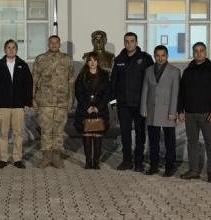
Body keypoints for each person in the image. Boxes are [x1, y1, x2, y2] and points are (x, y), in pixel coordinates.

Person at [110, 32, 153, 171]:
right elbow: (113, 81)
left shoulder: (145, 58)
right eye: (127, 41)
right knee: (125, 133)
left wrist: (149, 102)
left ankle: (139, 162)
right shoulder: (119, 59)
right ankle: (126, 161)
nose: (129, 44)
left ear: (136, 42)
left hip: (140, 103)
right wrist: (113, 101)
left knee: (140, 133)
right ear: (124, 43)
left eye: (132, 41)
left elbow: (151, 81)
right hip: (123, 104)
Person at [178, 42, 211, 182]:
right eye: (196, 51)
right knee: (192, 142)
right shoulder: (188, 71)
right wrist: (180, 110)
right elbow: (182, 92)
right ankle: (193, 170)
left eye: (201, 50)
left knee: (210, 143)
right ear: (193, 53)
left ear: (206, 52)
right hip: (190, 113)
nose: (198, 53)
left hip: (206, 114)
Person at [32, 35, 74, 168]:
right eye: (51, 42)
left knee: (59, 130)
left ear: (59, 44)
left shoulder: (67, 59)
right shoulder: (40, 59)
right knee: (45, 130)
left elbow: (71, 81)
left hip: (62, 101)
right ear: (48, 44)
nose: (54, 45)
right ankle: (46, 157)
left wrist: (71, 100)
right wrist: (32, 98)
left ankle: (56, 157)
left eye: (56, 42)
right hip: (45, 101)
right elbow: (34, 79)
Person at [0, 39, 33, 169]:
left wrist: (27, 102)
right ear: (5, 49)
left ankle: (17, 159)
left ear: (16, 50)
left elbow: (28, 85)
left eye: (13, 47)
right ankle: (3, 159)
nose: (11, 50)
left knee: (18, 133)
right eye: (8, 47)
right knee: (3, 133)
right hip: (3, 105)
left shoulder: (23, 65)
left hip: (19, 106)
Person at [141, 45, 181, 177]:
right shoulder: (148, 70)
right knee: (153, 141)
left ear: (167, 56)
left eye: (163, 55)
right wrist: (143, 108)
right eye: (157, 55)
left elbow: (175, 93)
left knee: (170, 142)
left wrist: (173, 112)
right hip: (152, 110)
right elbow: (145, 89)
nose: (160, 58)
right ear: (154, 56)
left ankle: (170, 167)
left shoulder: (174, 71)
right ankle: (153, 166)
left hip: (167, 111)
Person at [74, 53, 111, 169]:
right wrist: (87, 107)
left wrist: (98, 107)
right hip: (85, 110)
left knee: (97, 133)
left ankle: (96, 162)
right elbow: (78, 93)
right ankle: (88, 162)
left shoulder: (105, 75)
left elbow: (108, 93)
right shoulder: (82, 75)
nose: (93, 63)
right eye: (90, 60)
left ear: (98, 62)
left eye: (95, 60)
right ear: (87, 62)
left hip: (100, 109)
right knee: (87, 133)